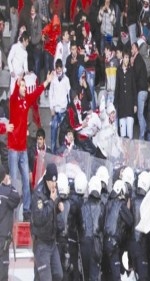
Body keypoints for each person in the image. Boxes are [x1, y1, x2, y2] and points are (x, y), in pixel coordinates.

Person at [9, 71, 53, 221]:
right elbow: (15, 91)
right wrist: (18, 80)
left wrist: (46, 82)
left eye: (24, 86)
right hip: (13, 149)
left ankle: (26, 210)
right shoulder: (14, 100)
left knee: (27, 183)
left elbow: (36, 93)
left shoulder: (26, 100)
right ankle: (13, 211)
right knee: (14, 181)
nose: (24, 88)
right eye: (22, 86)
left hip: (22, 149)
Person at [31, 163, 64, 280]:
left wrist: (58, 206)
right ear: (46, 180)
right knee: (46, 278)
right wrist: (51, 201)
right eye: (51, 182)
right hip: (41, 243)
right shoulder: (38, 194)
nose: (53, 185)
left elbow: (55, 204)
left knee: (58, 274)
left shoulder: (55, 189)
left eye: (55, 182)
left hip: (52, 241)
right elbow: (39, 219)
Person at [103, 180, 133, 280]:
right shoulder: (121, 205)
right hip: (113, 244)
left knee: (106, 274)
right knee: (116, 276)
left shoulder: (108, 203)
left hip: (104, 243)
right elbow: (130, 221)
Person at [80, 176, 105, 281]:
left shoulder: (83, 205)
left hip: (84, 243)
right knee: (94, 276)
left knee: (85, 275)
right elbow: (103, 226)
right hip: (96, 245)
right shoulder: (102, 206)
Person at [0, 164, 20, 281]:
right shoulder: (7, 192)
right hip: (3, 239)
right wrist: (8, 185)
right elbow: (17, 198)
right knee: (2, 273)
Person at [114, 51, 137, 139]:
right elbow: (117, 88)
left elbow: (134, 88)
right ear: (122, 58)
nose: (127, 59)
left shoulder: (131, 71)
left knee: (130, 130)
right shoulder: (118, 71)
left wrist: (135, 104)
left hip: (130, 104)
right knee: (122, 131)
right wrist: (115, 104)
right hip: (121, 105)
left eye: (128, 58)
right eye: (125, 57)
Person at [49, 59, 71, 153]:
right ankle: (53, 153)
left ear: (62, 68)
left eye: (59, 68)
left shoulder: (66, 80)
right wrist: (51, 108)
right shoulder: (53, 79)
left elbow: (69, 94)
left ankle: (62, 154)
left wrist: (69, 108)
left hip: (63, 111)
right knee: (53, 133)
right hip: (55, 111)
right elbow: (50, 94)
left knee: (62, 135)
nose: (58, 70)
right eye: (56, 68)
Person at [131, 42, 148, 140]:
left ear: (136, 49)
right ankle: (144, 130)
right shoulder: (139, 59)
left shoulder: (138, 60)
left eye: (132, 48)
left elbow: (135, 75)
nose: (131, 50)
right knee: (140, 114)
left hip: (141, 91)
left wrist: (132, 65)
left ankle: (142, 136)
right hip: (143, 91)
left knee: (140, 114)